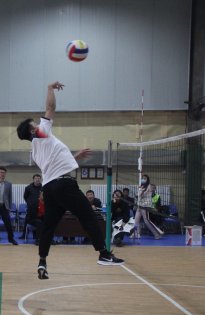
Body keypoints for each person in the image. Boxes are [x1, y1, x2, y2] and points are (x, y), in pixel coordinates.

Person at [16, 81, 124, 280]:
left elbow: (54, 164)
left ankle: (42, 261)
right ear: (32, 131)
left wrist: (75, 157)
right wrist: (50, 88)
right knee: (88, 215)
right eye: (35, 124)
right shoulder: (41, 133)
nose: (38, 124)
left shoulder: (35, 150)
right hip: (64, 185)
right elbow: (50, 107)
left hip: (50, 189)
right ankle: (103, 253)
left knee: (49, 226)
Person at [0, 167, 18, 246]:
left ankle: (11, 239)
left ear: (5, 174)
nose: (2, 174)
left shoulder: (9, 184)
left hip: (4, 206)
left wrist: (9, 207)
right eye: (1, 172)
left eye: (4, 172)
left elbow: (10, 196)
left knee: (8, 223)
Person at [133, 174, 163, 239]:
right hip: (139, 206)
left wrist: (140, 191)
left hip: (145, 206)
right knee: (136, 221)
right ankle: (136, 234)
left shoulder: (149, 186)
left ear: (147, 180)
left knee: (147, 221)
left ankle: (157, 234)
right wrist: (138, 193)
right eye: (142, 178)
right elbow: (137, 196)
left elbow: (142, 195)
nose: (143, 179)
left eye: (145, 178)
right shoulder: (141, 186)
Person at [20, 174, 43, 241]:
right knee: (28, 221)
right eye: (36, 178)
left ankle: (37, 236)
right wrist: (30, 203)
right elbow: (25, 197)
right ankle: (24, 235)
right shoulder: (28, 188)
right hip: (31, 209)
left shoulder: (43, 187)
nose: (37, 180)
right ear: (33, 179)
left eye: (39, 178)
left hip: (40, 210)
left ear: (40, 179)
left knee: (40, 222)